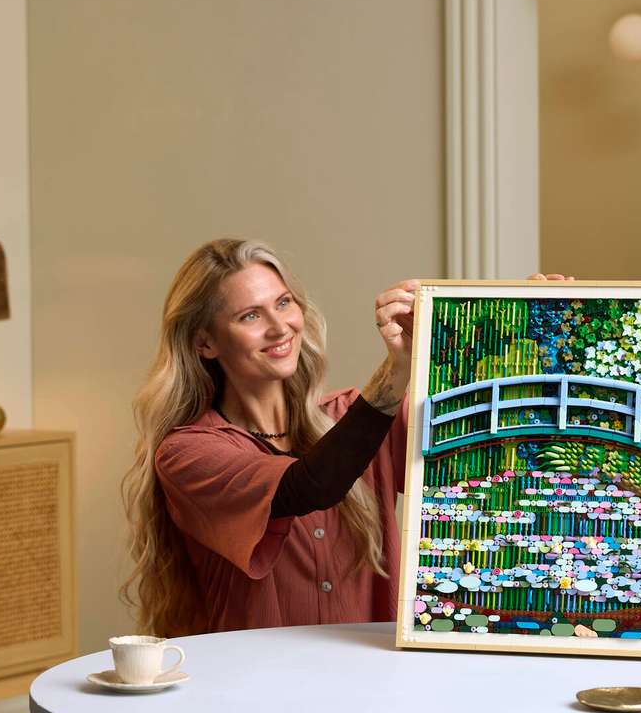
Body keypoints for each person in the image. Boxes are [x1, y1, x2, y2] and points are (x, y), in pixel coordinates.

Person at [121, 238, 418, 637]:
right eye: (249, 316)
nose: (279, 328)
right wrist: (395, 370)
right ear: (204, 342)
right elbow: (310, 485)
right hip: (252, 693)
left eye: (283, 303)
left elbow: (486, 444)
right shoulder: (187, 453)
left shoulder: (355, 416)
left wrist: (524, 323)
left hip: (374, 688)